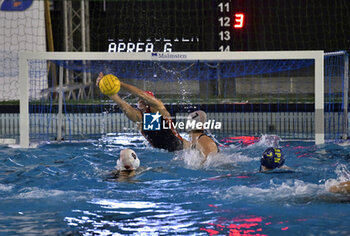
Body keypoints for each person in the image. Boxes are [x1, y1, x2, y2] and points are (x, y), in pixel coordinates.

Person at [96, 72, 190, 152]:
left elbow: (140, 94)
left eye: (144, 100)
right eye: (139, 100)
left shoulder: (159, 109)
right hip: (166, 154)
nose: (141, 101)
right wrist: (106, 87)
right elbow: (121, 104)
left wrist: (119, 83)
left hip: (183, 149)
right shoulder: (139, 118)